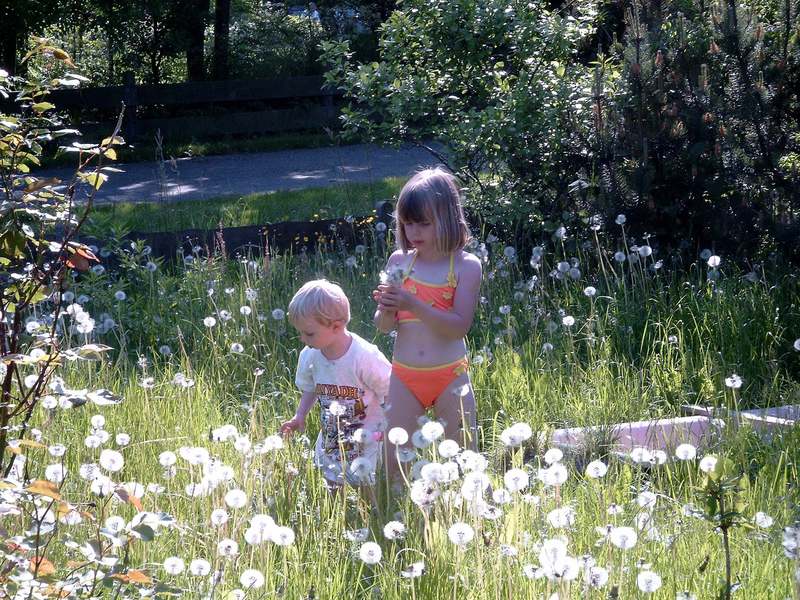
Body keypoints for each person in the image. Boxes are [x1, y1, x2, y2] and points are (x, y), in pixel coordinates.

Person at [373, 168, 482, 482]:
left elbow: (458, 326)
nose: (414, 231)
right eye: (407, 223)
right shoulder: (399, 263)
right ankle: (396, 516)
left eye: (424, 222)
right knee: (394, 460)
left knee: (463, 460)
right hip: (405, 376)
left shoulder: (464, 266)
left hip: (451, 376)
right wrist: (388, 307)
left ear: (448, 218)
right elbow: (383, 326)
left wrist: (412, 304)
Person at [281, 279, 391, 490]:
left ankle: (371, 517)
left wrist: (392, 422)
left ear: (336, 326)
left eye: (309, 333)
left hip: (368, 438)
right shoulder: (310, 355)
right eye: (300, 332)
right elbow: (311, 387)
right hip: (332, 435)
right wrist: (300, 415)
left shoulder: (364, 356)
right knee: (331, 482)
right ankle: (338, 520)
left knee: (366, 484)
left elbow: (391, 389)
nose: (303, 339)